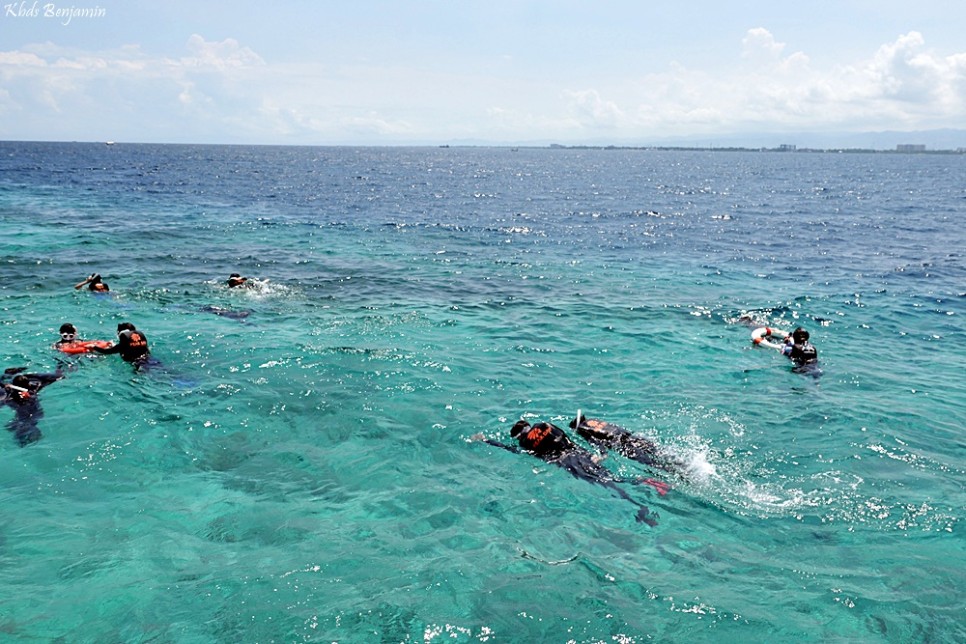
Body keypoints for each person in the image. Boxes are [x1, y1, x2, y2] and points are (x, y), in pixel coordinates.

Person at [471, 419, 659, 526]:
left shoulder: (524, 443)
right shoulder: (546, 425)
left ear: (519, 435)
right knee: (609, 476)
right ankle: (645, 482)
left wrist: (486, 440)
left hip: (568, 462)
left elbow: (513, 450)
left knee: (606, 483)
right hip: (580, 452)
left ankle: (641, 508)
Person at [569, 413, 681, 485]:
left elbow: (601, 449)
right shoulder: (594, 421)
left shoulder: (584, 431)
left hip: (627, 448)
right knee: (663, 455)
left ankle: (682, 478)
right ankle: (685, 465)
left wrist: (597, 459)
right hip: (636, 439)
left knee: (655, 464)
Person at [1, 367, 64, 446]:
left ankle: (28, 438)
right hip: (34, 413)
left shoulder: (23, 394)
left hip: (33, 414)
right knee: (19, 424)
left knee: (23, 424)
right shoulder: (15, 394)